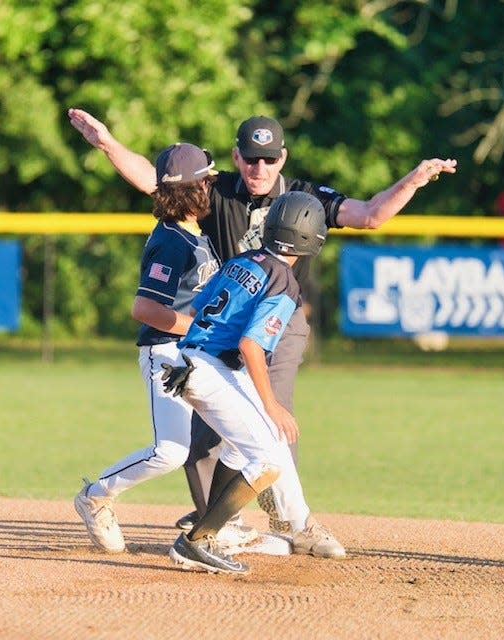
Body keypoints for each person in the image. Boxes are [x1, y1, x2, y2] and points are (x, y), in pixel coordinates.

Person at [68, 107, 457, 541]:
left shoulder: (305, 197)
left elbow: (369, 215)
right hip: (218, 324)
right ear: (236, 157)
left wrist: (415, 180)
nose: (260, 167)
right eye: (251, 158)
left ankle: (294, 521)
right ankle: (215, 519)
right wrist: (107, 143)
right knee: (198, 436)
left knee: (271, 417)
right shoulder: (216, 192)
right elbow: (158, 181)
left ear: (283, 158)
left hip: (278, 322)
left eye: (269, 158)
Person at [73, 142, 258, 553]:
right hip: (167, 354)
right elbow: (144, 308)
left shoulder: (195, 231)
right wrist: (200, 325)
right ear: (192, 190)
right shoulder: (172, 241)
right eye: (206, 181)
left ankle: (217, 523)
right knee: (172, 452)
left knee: (242, 434)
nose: (212, 186)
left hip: (198, 356)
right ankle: (96, 496)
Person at [163, 191, 330, 574]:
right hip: (211, 370)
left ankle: (221, 529)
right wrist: (273, 405)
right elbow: (251, 344)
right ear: (312, 238)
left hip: (194, 361)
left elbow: (197, 305)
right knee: (269, 459)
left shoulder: (242, 260)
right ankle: (197, 541)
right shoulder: (284, 282)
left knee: (245, 447)